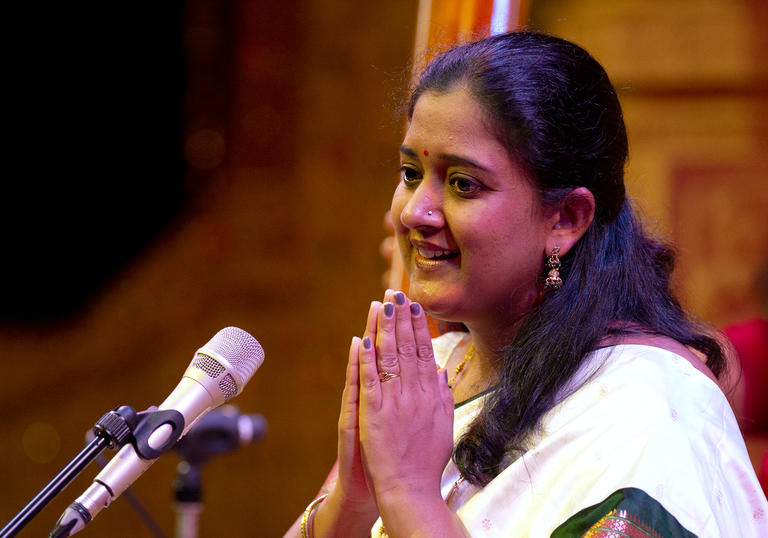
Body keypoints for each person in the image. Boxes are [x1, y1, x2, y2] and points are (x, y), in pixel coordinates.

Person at [285, 31, 768, 537]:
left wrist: (408, 492)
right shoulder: (437, 372)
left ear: (565, 218)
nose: (414, 211)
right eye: (410, 173)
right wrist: (357, 494)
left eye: (462, 184)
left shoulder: (647, 414)